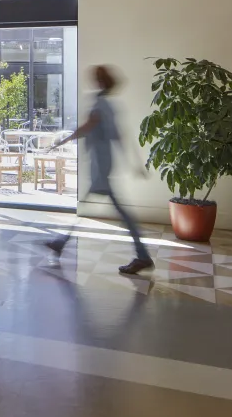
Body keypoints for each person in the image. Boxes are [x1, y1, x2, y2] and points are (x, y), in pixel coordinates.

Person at [45, 65, 153, 275]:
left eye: (95, 77)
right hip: (104, 163)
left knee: (117, 211)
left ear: (100, 81)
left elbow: (87, 127)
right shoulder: (109, 105)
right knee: (103, 207)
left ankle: (143, 256)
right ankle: (60, 243)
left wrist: (62, 141)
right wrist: (134, 162)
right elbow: (120, 135)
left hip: (101, 166)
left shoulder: (100, 104)